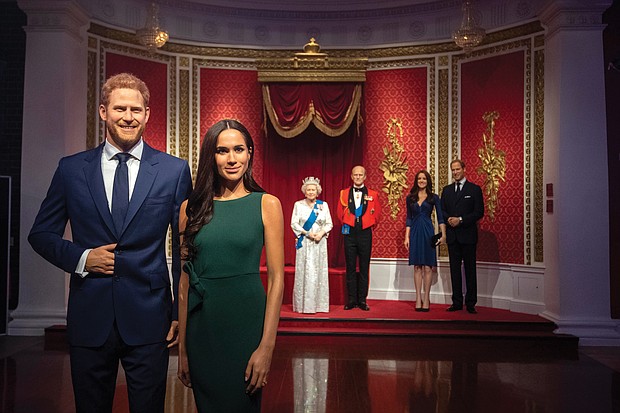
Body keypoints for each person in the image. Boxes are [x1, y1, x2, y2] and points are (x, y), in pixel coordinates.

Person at [28, 73, 193, 413]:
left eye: (136, 109)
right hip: (90, 316)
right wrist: (83, 258)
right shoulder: (71, 169)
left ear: (147, 114)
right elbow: (41, 233)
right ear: (103, 111)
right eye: (120, 108)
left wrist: (179, 310)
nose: (128, 116)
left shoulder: (173, 171)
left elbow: (182, 248)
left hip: (150, 318)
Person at [177, 119, 284, 412]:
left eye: (239, 149)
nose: (232, 158)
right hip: (202, 331)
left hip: (246, 327)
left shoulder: (267, 204)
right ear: (211, 156)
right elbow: (185, 283)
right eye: (222, 151)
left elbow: (276, 280)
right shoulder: (190, 208)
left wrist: (267, 347)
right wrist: (183, 351)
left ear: (250, 153)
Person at [440, 159, 484, 314]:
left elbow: (479, 212)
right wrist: (449, 220)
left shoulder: (474, 189)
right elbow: (442, 211)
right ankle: (457, 302)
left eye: (458, 169)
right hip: (452, 237)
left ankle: (471, 303)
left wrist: (460, 220)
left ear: (464, 169)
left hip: (468, 236)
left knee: (470, 270)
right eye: (453, 170)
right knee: (454, 271)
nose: (455, 172)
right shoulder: (447, 190)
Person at [337, 165, 381, 311]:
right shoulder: (343, 193)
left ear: (365, 176)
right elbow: (339, 214)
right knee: (350, 266)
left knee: (363, 267)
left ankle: (362, 300)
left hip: (365, 233)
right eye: (355, 175)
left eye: (360, 175)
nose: (357, 177)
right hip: (349, 233)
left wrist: (367, 225)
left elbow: (377, 215)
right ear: (351, 176)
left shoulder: (373, 194)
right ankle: (351, 300)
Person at [404, 170, 446, 312]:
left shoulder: (434, 197)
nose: (421, 181)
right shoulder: (410, 197)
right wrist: (406, 237)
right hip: (415, 232)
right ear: (416, 181)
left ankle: (426, 297)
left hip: (428, 232)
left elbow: (440, 217)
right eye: (419, 178)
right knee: (417, 266)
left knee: (428, 266)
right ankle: (418, 298)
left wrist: (443, 235)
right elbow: (408, 218)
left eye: (424, 178)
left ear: (428, 181)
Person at [291, 176, 333, 313]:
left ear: (317, 191)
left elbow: (329, 223)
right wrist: (307, 234)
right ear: (304, 191)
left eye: (313, 190)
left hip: (319, 243)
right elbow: (294, 223)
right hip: (305, 242)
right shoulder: (298, 205)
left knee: (318, 272)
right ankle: (303, 306)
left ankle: (319, 305)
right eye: (308, 190)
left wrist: (321, 233)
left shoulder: (323, 205)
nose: (310, 192)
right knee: (305, 272)